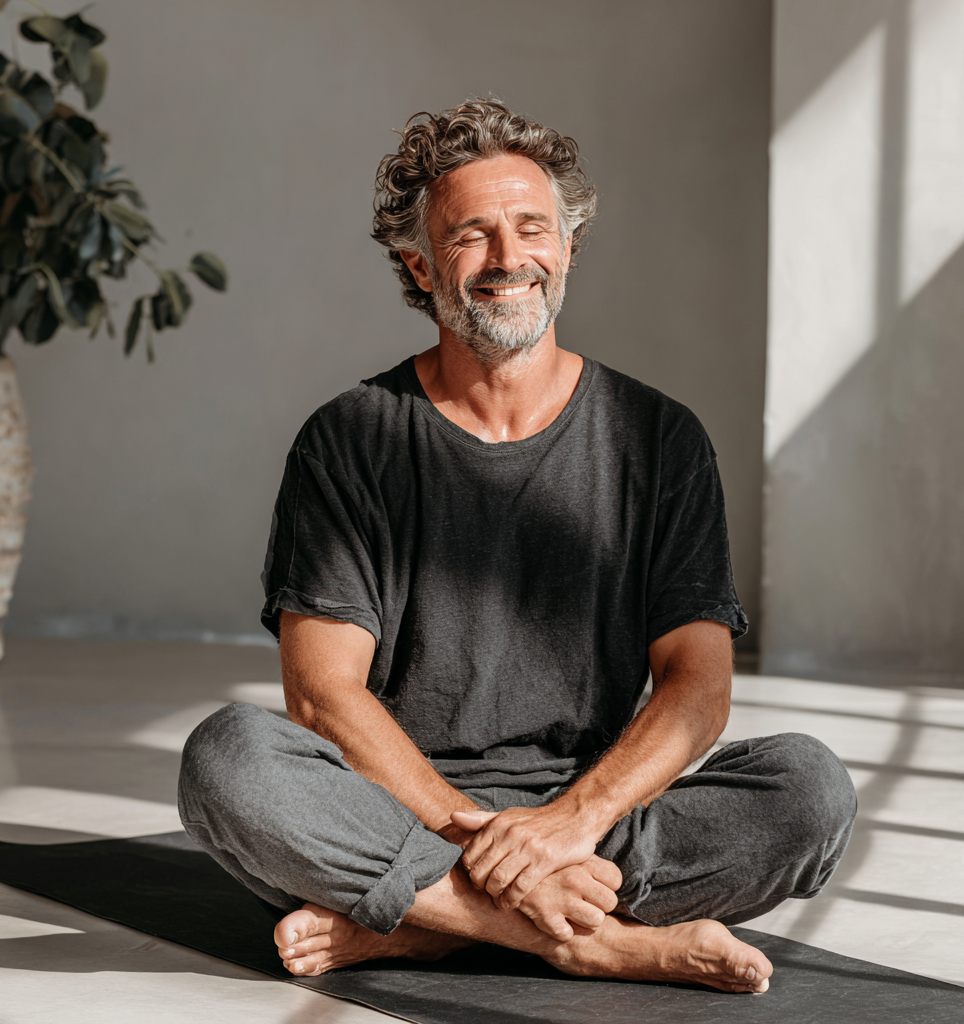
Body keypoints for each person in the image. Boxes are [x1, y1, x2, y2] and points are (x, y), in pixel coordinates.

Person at [178, 99, 856, 994]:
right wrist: (474, 836)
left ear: (567, 247)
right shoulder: (350, 439)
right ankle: (574, 939)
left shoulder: (660, 440)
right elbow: (322, 695)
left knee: (810, 790)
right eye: (472, 236)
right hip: (396, 810)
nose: (509, 259)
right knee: (228, 762)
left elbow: (699, 687)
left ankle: (426, 926)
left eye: (532, 228)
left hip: (595, 818)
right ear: (420, 264)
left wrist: (566, 826)